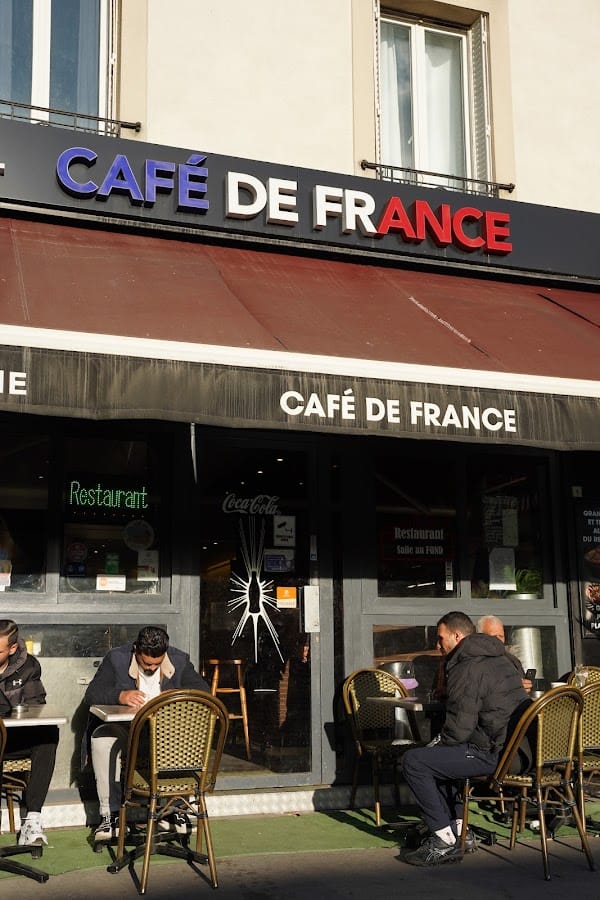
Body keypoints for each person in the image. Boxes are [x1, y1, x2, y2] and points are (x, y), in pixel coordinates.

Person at [400, 611, 529, 867]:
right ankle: (460, 832)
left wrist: (434, 745)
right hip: (519, 751)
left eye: (441, 638)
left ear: (457, 636)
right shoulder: (503, 658)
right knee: (443, 758)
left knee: (415, 761)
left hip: (494, 753)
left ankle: (442, 840)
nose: (438, 646)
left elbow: (459, 728)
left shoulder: (466, 665)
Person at [84, 625, 209, 840]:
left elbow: (203, 692)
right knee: (102, 739)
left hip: (165, 734)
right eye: (146, 663)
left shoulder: (179, 660)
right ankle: (110, 815)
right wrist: (120, 695)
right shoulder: (116, 659)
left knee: (182, 737)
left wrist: (178, 694)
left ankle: (174, 809)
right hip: (126, 730)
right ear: (136, 650)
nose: (151, 668)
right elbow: (92, 693)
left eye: (157, 664)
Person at [0, 619, 59, 847]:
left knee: (48, 736)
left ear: (13, 648)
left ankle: (32, 820)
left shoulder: (28, 667)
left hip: (13, 739)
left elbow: (37, 707)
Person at [476, 614, 533, 691]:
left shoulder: (513, 661)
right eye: (494, 636)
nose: (498, 640)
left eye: (501, 636)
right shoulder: (473, 661)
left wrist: (524, 688)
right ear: (481, 637)